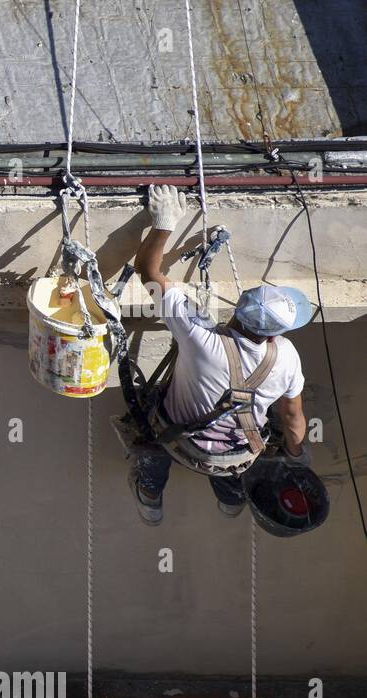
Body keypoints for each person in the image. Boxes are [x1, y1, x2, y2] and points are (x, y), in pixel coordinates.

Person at [129, 184, 312, 526]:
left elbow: (149, 274)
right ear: (273, 334)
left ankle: (151, 495)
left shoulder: (198, 335)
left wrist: (164, 222)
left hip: (180, 442)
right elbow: (291, 418)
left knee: (149, 430)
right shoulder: (286, 356)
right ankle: (230, 498)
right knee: (234, 463)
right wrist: (296, 454)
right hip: (237, 452)